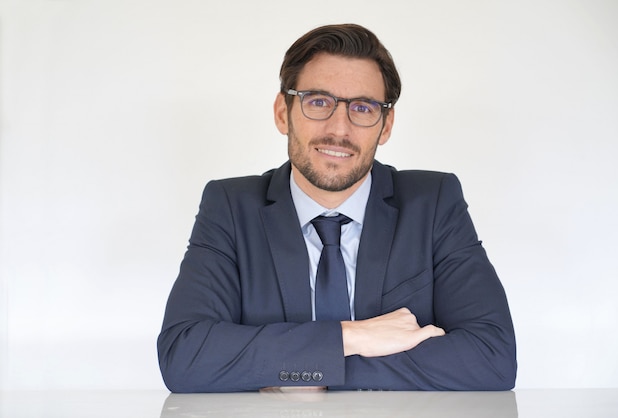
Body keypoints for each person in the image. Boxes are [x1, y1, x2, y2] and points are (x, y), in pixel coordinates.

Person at [157, 23, 517, 392]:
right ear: (283, 112)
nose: (339, 129)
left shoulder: (434, 202)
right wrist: (353, 337)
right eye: (318, 102)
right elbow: (185, 357)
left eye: (362, 108)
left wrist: (302, 368)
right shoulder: (230, 208)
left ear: (386, 124)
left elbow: (493, 358)